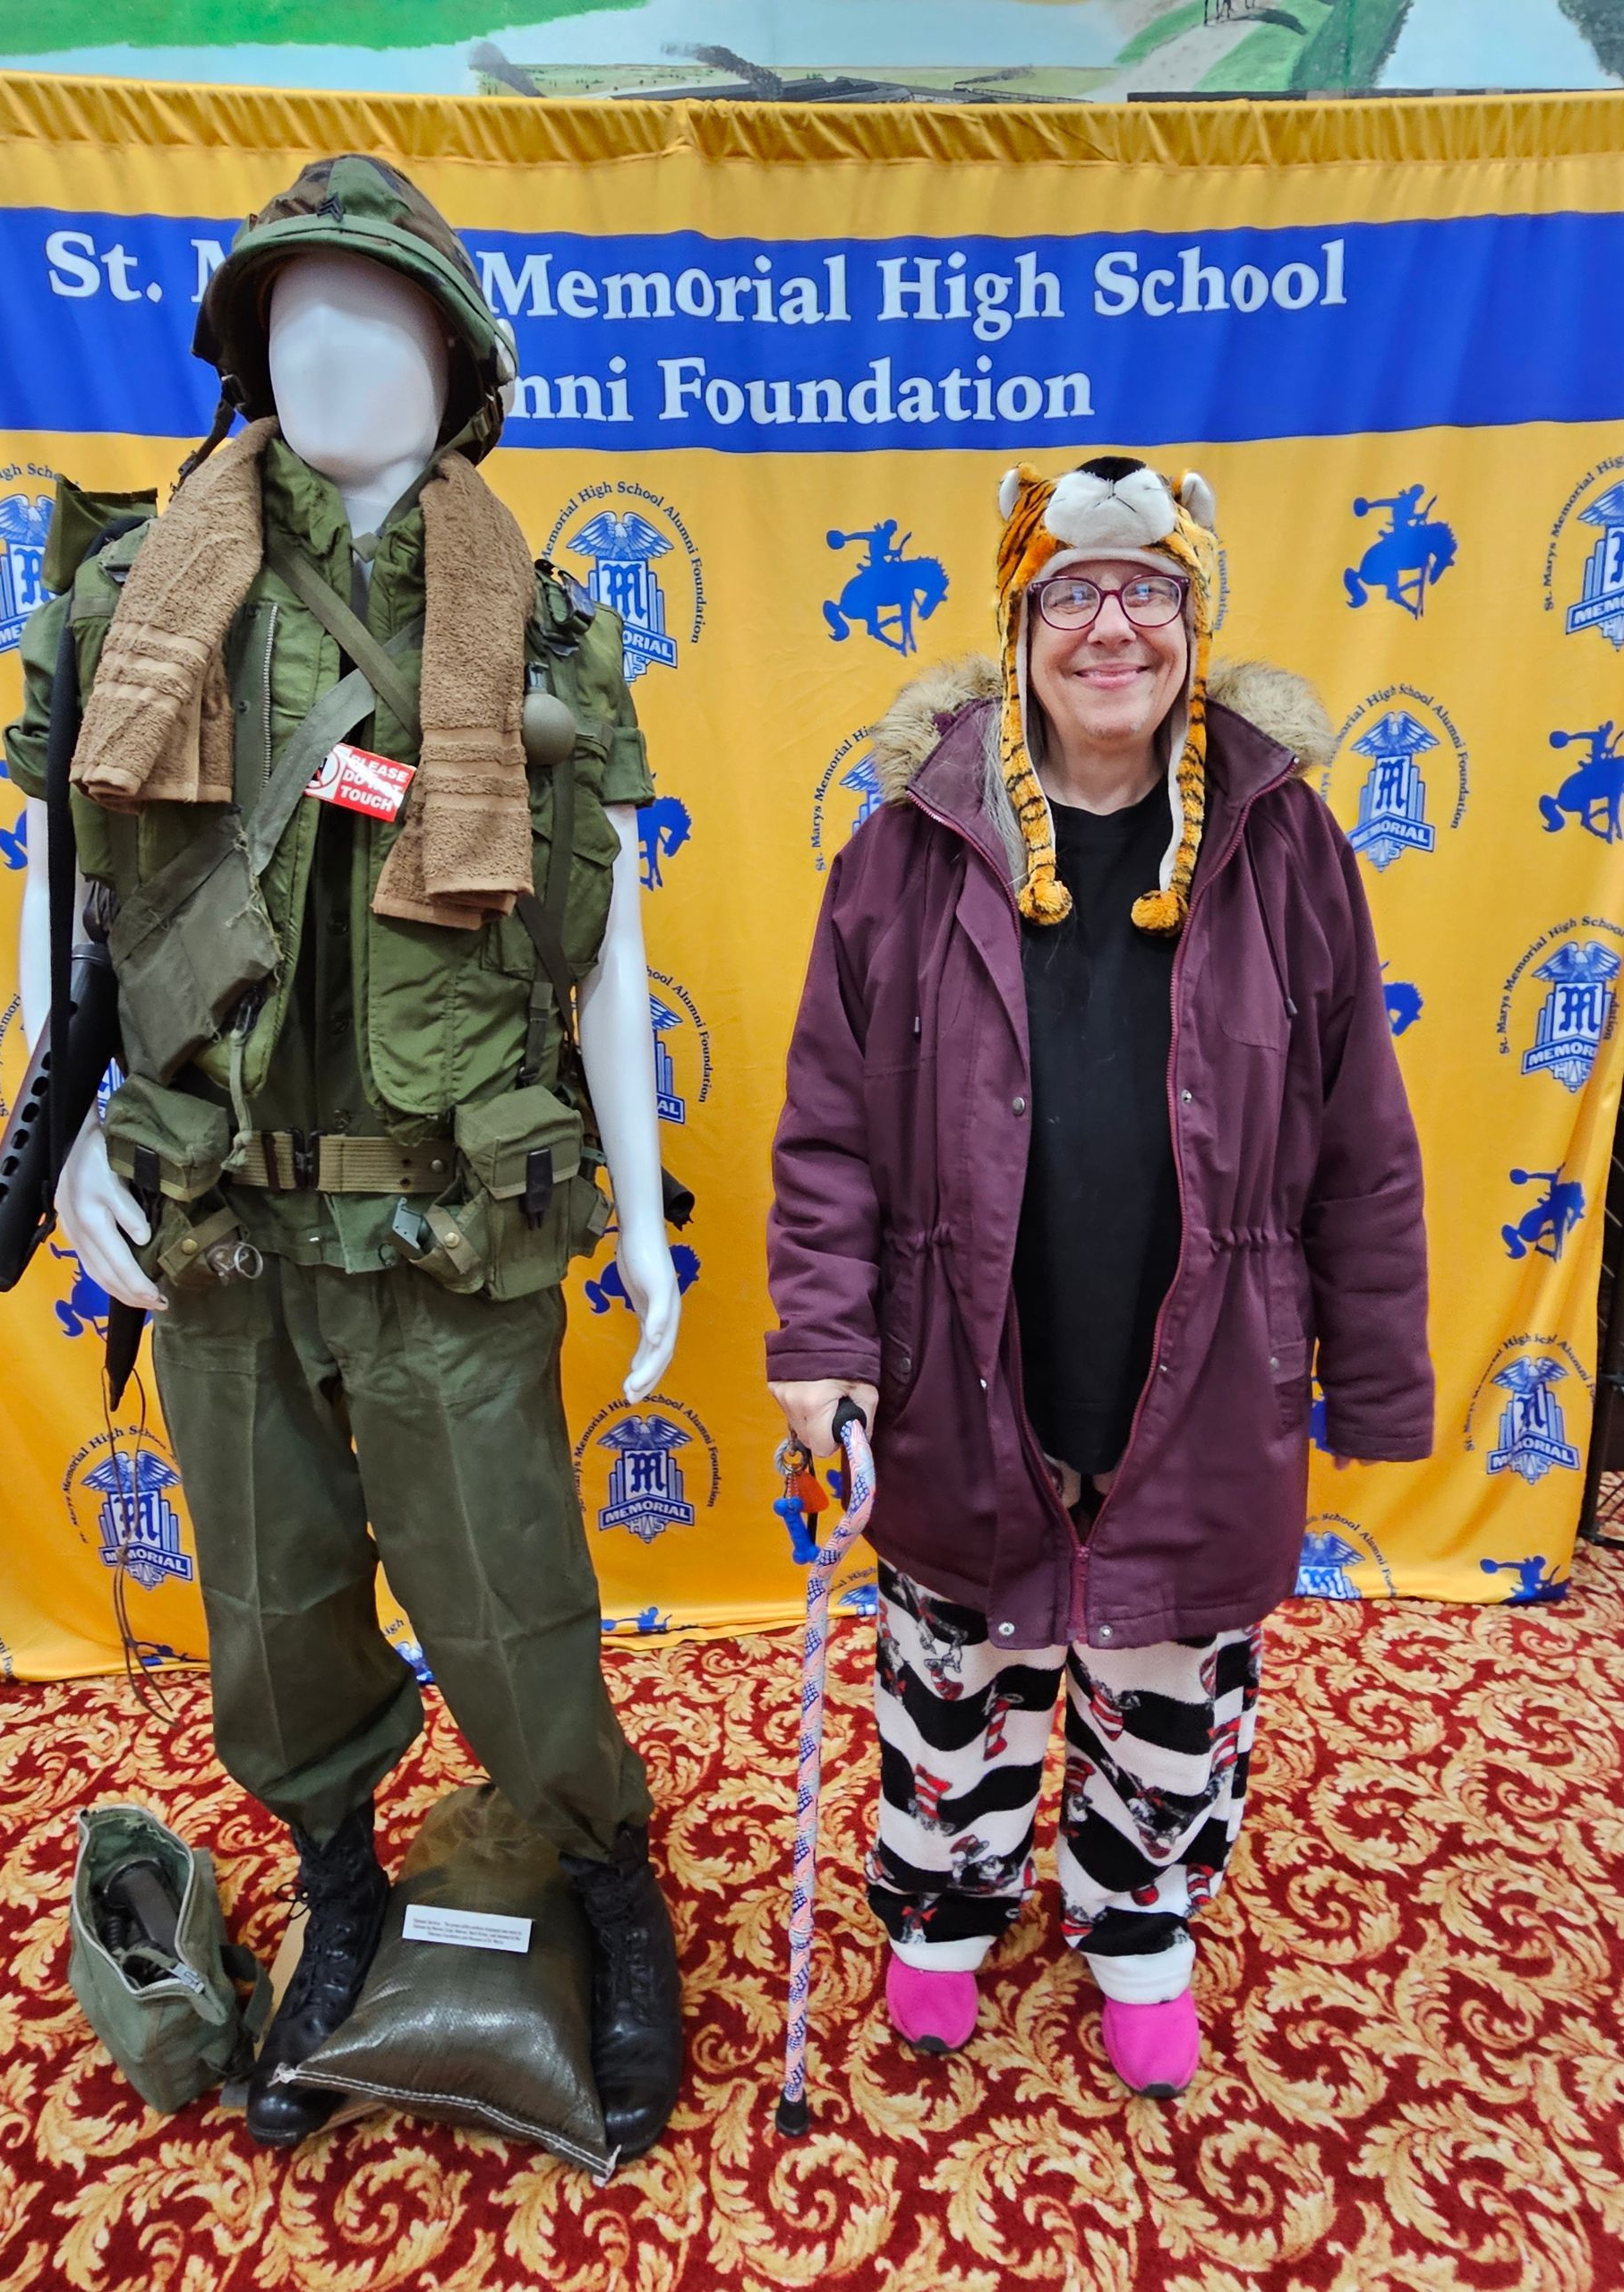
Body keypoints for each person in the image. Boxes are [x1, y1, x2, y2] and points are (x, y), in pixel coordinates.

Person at [3, 157, 682, 2155]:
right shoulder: (135, 603)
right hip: (215, 1216)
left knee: (513, 1605)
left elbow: (605, 938)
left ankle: (608, 1886)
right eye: (293, 314)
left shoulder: (535, 624)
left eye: (376, 315)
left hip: (447, 1224)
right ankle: (340, 1884)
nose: (327, 350)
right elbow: (67, 903)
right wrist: (64, 1145)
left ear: (457, 368)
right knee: (273, 1612)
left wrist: (645, 1223)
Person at [766, 454, 1432, 2100]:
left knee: (1168, 1692)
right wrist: (822, 1340)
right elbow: (830, 1129)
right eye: (1071, 592)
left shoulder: (1287, 847)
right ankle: (943, 1912)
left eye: (1150, 591)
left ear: (1197, 623)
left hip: (1199, 1367)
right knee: (954, 1671)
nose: (1111, 626)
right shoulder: (908, 849)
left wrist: (1377, 1377)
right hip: (957, 1357)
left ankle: (1140, 1926)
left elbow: (1361, 1130)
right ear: (1018, 625)